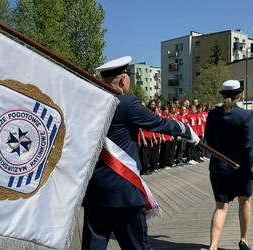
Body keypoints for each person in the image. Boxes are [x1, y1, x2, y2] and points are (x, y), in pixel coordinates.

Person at [82, 56, 200, 250]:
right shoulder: (127, 104)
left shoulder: (89, 105)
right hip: (125, 191)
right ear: (122, 80)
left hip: (96, 191)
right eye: (128, 76)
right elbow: (159, 123)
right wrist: (186, 130)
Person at [205, 80, 253, 250]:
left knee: (221, 206)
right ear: (239, 95)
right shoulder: (246, 116)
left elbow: (208, 142)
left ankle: (213, 246)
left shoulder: (212, 114)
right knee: (245, 202)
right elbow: (248, 146)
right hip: (241, 168)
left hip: (218, 167)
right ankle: (244, 240)